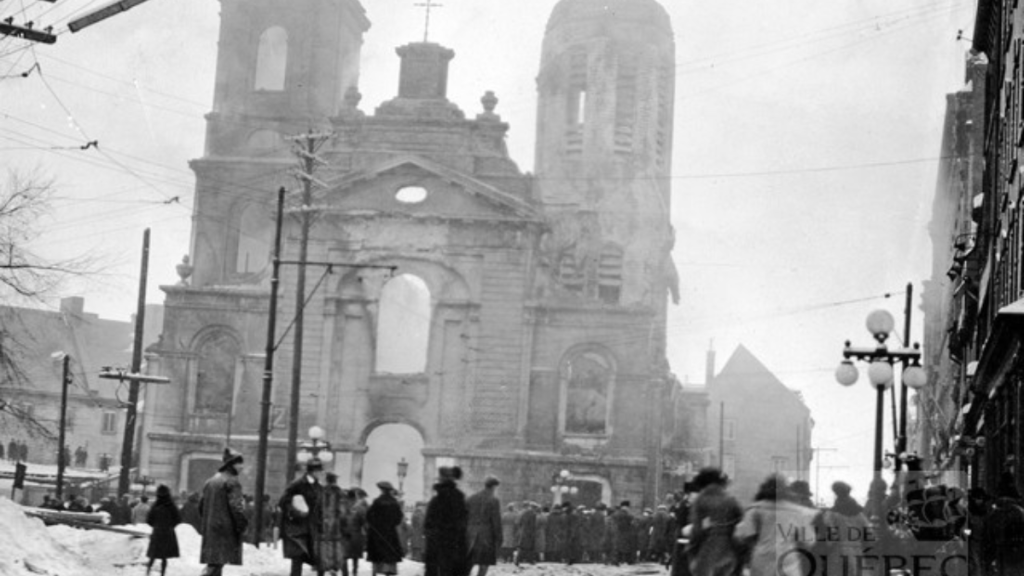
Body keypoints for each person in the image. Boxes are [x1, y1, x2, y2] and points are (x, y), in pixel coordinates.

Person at [733, 475, 816, 576]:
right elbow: (809, 541)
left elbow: (743, 535)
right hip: (788, 557)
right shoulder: (796, 511)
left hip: (762, 558)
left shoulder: (755, 509)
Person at [198, 447, 248, 576]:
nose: (242, 467)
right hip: (225, 531)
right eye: (239, 463)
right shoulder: (232, 482)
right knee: (215, 566)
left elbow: (201, 507)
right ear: (231, 464)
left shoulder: (210, 481)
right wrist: (242, 525)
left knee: (215, 564)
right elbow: (237, 507)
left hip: (212, 529)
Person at [687, 468, 742, 576]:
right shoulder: (731, 499)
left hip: (709, 549)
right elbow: (739, 524)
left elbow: (697, 530)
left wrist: (691, 548)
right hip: (729, 551)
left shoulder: (701, 500)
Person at [280, 458, 326, 576]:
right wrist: (296, 513)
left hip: (313, 527)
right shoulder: (298, 484)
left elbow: (320, 507)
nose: (320, 473)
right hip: (297, 528)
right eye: (318, 471)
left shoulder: (319, 487)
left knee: (317, 558)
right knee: (298, 557)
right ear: (312, 471)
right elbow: (283, 501)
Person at [424, 466, 469, 576]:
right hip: (456, 546)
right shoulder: (460, 499)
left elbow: (428, 524)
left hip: (437, 545)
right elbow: (464, 523)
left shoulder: (436, 501)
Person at [818, 481, 869, 576]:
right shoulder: (860, 514)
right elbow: (869, 534)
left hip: (838, 552)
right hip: (857, 551)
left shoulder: (831, 514)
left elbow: (830, 537)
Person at [982, 472, 1024, 576]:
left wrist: (987, 560)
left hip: (1000, 556)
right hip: (1018, 556)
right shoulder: (1020, 512)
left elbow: (988, 538)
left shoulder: (994, 514)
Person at [366, 481, 405, 576]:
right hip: (390, 533)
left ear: (382, 490)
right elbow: (398, 518)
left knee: (376, 554)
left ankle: (375, 571)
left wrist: (375, 524)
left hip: (377, 532)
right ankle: (388, 571)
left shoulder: (377, 502)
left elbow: (368, 516)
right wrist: (390, 524)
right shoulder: (394, 503)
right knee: (389, 553)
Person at [466, 476, 503, 576]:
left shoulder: (471, 498)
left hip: (470, 536)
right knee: (484, 564)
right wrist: (499, 539)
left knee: (468, 563)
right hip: (486, 538)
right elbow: (496, 521)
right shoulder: (493, 500)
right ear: (494, 487)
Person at [146, 484, 181, 576]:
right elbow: (178, 519)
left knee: (153, 555)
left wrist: (156, 525)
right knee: (164, 556)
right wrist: (170, 525)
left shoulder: (156, 505)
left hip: (157, 532)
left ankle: (148, 571)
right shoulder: (171, 506)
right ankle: (163, 573)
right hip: (168, 533)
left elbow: (149, 520)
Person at [319, 473, 349, 576]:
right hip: (336, 527)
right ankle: (338, 570)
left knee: (322, 549)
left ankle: (321, 570)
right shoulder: (340, 493)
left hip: (322, 526)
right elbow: (343, 512)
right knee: (338, 550)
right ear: (335, 481)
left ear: (327, 480)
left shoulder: (321, 492)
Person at [346, 488, 369, 576]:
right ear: (355, 496)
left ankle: (345, 572)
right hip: (356, 534)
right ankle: (355, 571)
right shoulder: (360, 508)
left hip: (345, 534)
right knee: (355, 556)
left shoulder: (343, 506)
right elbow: (363, 521)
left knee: (344, 555)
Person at [612, 500, 636, 565]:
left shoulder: (615, 514)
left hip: (617, 533)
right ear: (626, 507)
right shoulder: (628, 515)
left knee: (617, 547)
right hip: (626, 534)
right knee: (626, 548)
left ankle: (616, 561)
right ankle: (627, 560)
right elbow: (632, 525)